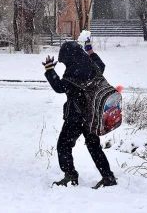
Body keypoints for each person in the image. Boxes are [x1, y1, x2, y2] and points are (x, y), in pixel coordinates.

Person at [43, 38, 117, 189]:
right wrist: (90, 51)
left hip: (76, 118)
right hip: (92, 116)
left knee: (63, 145)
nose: (65, 64)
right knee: (94, 146)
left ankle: (70, 176)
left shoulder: (73, 72)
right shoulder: (92, 65)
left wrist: (50, 70)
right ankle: (108, 177)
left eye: (65, 61)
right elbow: (101, 64)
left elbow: (59, 87)